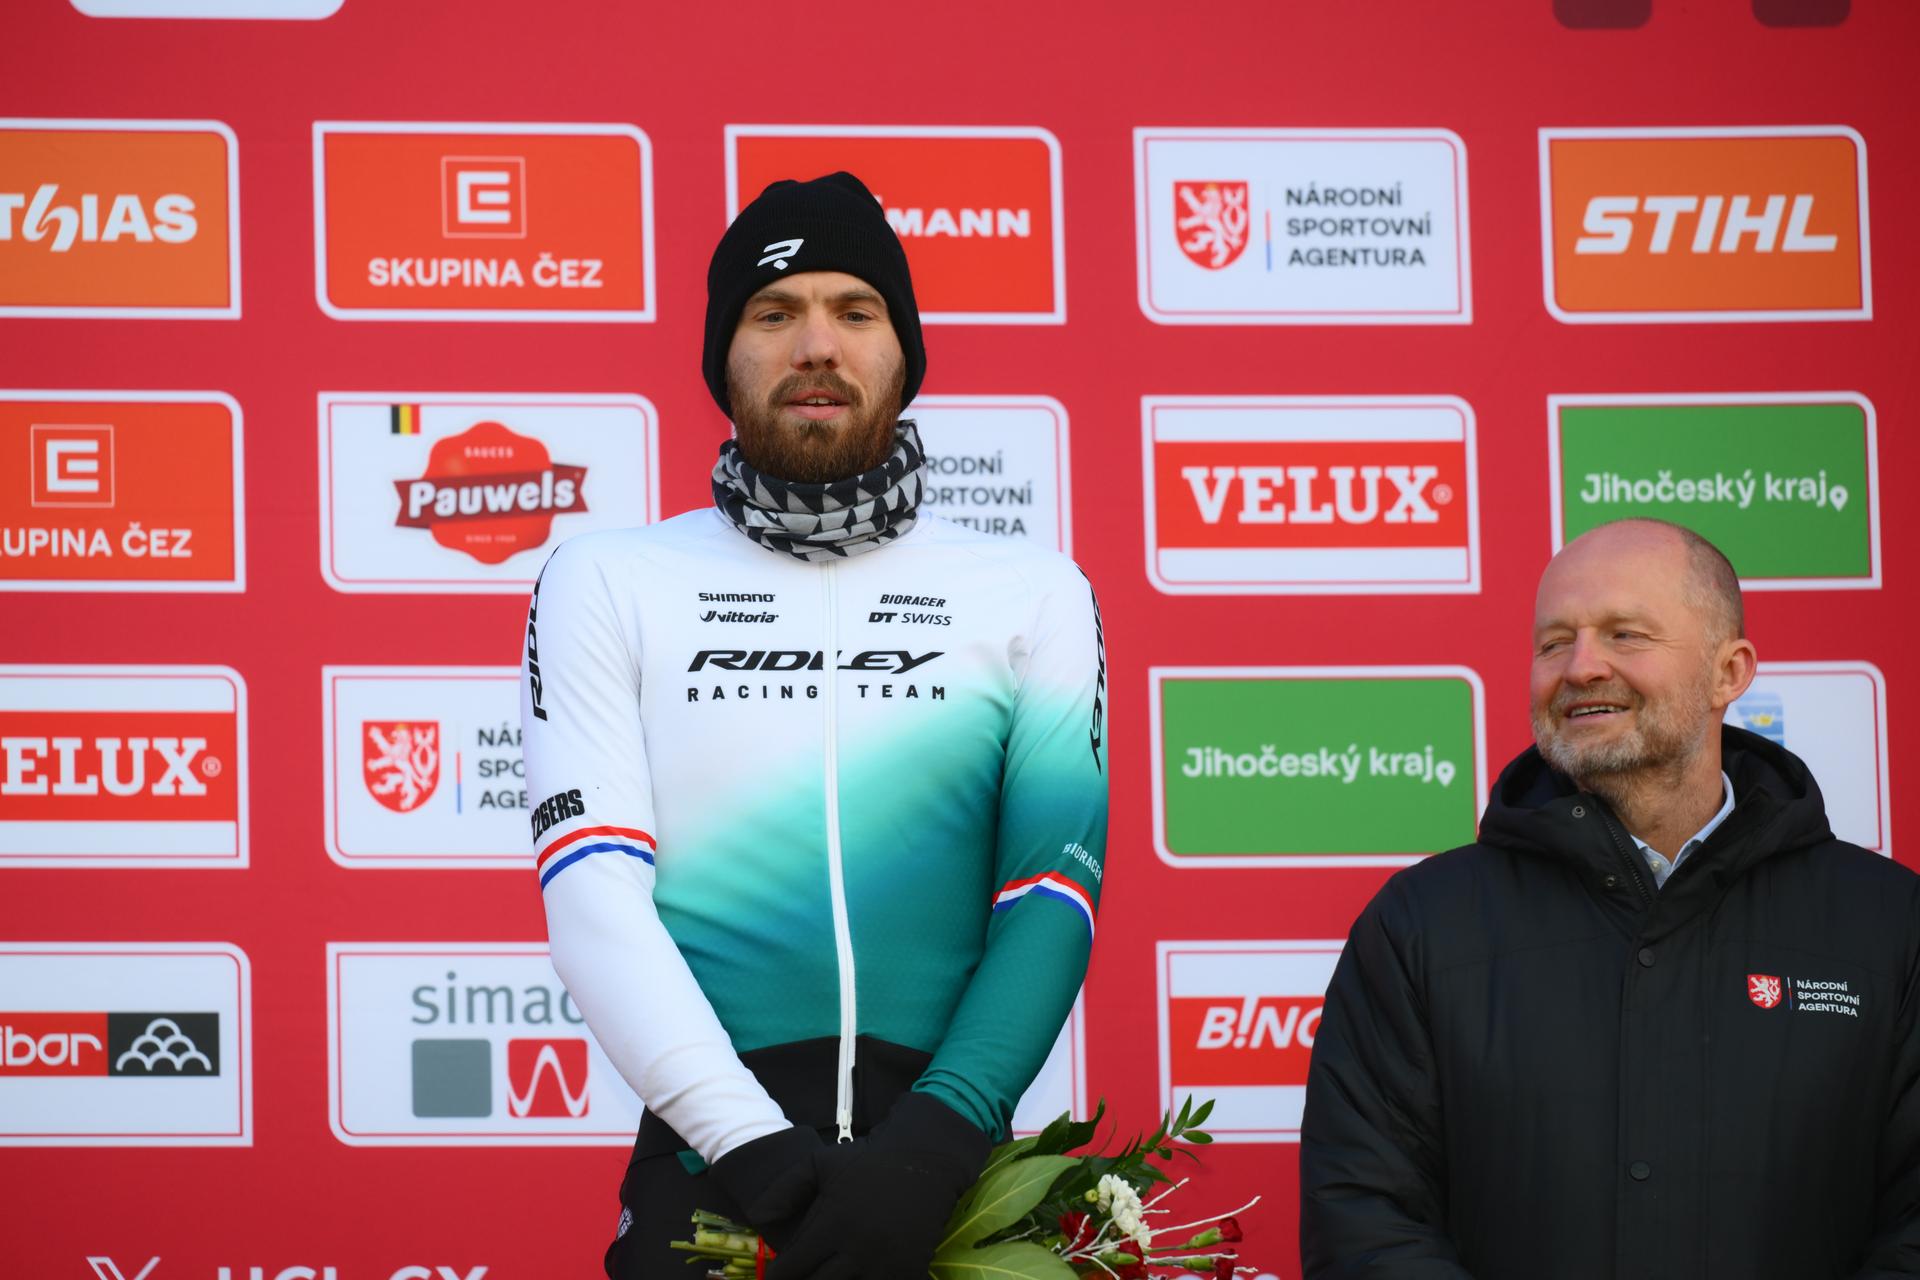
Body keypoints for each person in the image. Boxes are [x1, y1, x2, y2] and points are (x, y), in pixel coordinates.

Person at [519, 171, 1108, 1279]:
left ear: (903, 353)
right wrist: (754, 1148)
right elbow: (593, 890)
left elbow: (1051, 893)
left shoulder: (1033, 592)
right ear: (724, 357)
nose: (817, 345)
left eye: (855, 310)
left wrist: (936, 1144)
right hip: (711, 1176)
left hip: (957, 1182)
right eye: (775, 312)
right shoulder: (607, 579)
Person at [1300, 518, 1920, 1279]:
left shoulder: (1888, 922)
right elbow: (1364, 1219)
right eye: (1554, 642)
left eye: (1625, 634)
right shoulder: (1421, 925)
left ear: (1729, 672)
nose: (1581, 666)